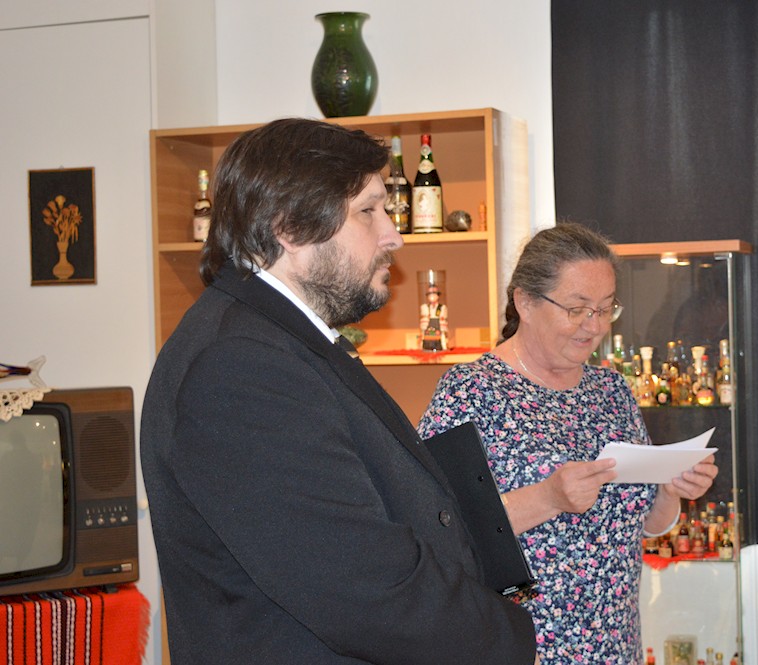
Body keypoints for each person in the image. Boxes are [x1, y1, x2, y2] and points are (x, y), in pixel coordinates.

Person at [140, 118, 537, 664]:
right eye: (368, 211)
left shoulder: (274, 341)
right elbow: (361, 586)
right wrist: (510, 639)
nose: (393, 235)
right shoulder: (240, 367)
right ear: (289, 227)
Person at [418, 223, 718, 664]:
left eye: (605, 309)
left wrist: (672, 490)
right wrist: (548, 498)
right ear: (525, 302)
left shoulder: (611, 391)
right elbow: (438, 527)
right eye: (577, 309)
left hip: (615, 644)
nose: (593, 326)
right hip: (522, 647)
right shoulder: (471, 391)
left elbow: (646, 524)